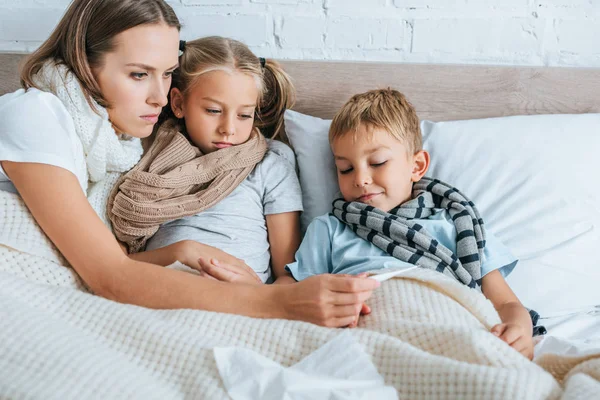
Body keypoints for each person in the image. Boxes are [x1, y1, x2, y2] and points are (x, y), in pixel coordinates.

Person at [0, 0, 379, 328]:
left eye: (166, 74)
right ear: (85, 62)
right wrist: (279, 303)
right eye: (138, 74)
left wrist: (183, 253)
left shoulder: (121, 143)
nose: (159, 97)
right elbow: (111, 275)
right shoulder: (32, 113)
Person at [285, 88, 535, 358]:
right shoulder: (330, 228)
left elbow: (506, 302)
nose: (360, 179)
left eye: (377, 162)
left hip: (448, 321)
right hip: (366, 334)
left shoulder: (457, 224)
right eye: (346, 169)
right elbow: (292, 293)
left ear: (416, 166)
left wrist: (519, 330)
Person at [108, 36, 301, 285]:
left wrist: (257, 292)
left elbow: (288, 275)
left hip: (243, 295)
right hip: (161, 286)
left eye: (244, 114)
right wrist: (181, 253)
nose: (228, 128)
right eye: (213, 111)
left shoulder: (271, 165)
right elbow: (113, 264)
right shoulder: (146, 156)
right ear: (179, 103)